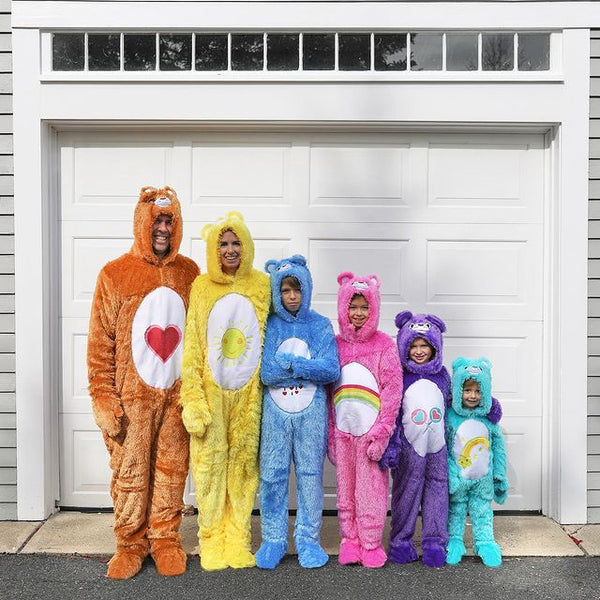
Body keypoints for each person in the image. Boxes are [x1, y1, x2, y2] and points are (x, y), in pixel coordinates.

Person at [87, 185, 199, 579]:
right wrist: (103, 396)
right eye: (157, 221)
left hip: (176, 395)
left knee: (172, 469)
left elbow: (199, 338)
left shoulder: (190, 274)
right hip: (131, 398)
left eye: (170, 221)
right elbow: (100, 344)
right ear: (142, 224)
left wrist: (195, 393)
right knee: (130, 471)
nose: (164, 229)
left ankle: (166, 537)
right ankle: (130, 542)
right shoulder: (114, 274)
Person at [180, 212, 270, 570]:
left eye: (236, 243)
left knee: (244, 468)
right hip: (212, 394)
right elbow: (192, 348)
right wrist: (193, 399)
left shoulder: (261, 286)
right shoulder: (202, 288)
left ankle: (238, 538)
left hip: (248, 398)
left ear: (246, 247)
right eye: (223, 244)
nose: (230, 250)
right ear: (213, 249)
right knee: (209, 467)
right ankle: (212, 538)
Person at [256, 255, 339, 570]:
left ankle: (308, 540)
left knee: (309, 477)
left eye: (297, 290)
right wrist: (307, 371)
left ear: (307, 290)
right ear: (277, 291)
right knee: (273, 476)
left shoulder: (320, 325)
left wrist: (296, 365)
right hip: (276, 416)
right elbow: (267, 373)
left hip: (311, 416)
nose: (292, 296)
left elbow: (330, 368)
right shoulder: (270, 324)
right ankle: (273, 539)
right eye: (286, 290)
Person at [328, 272, 402, 568]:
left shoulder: (384, 345)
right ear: (343, 308)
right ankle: (350, 540)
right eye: (353, 307)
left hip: (370, 433)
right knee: (345, 490)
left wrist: (382, 432)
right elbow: (327, 390)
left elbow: (392, 389)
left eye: (364, 307)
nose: (358, 313)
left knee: (371, 490)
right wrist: (332, 432)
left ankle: (371, 542)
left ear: (374, 310)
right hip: (343, 432)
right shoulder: (335, 345)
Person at [380, 312, 451, 567]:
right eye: (413, 345)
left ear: (435, 347)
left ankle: (434, 543)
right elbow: (391, 412)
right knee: (406, 493)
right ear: (404, 346)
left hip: (437, 449)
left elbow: (451, 409)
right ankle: (401, 542)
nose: (419, 351)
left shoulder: (442, 376)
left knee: (437, 492)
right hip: (409, 449)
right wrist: (391, 445)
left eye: (425, 345)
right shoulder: (399, 375)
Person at [446, 357, 509, 568]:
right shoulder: (450, 418)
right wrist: (449, 474)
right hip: (459, 479)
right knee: (455, 511)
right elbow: (443, 448)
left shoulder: (489, 421)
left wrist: (499, 475)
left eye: (478, 391)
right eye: (467, 390)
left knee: (482, 512)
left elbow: (499, 449)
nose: (472, 395)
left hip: (483, 480)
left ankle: (484, 542)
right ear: (457, 391)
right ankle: (454, 540)